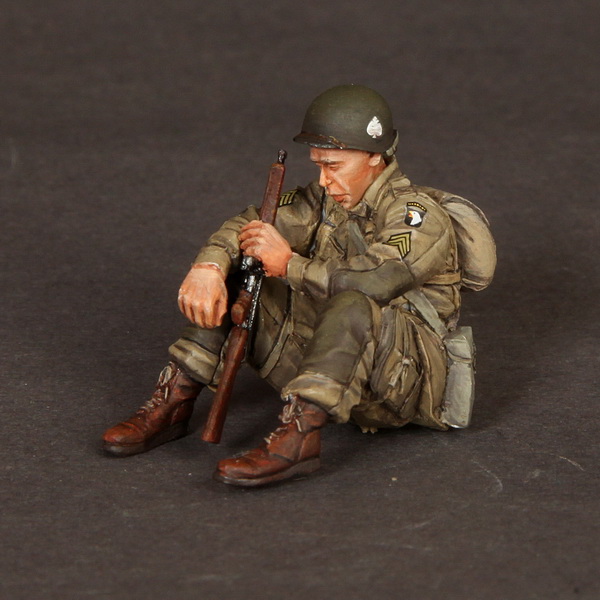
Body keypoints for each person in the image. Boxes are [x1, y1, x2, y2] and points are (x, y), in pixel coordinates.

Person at [102, 84, 494, 487]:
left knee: (353, 299)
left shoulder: (417, 215)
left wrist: (289, 265)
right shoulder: (322, 202)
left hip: (400, 384)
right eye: (318, 166)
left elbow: (378, 280)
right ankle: (175, 400)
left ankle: (300, 436)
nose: (323, 180)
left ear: (375, 156)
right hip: (342, 367)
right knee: (245, 274)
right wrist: (210, 265)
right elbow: (252, 224)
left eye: (334, 166)